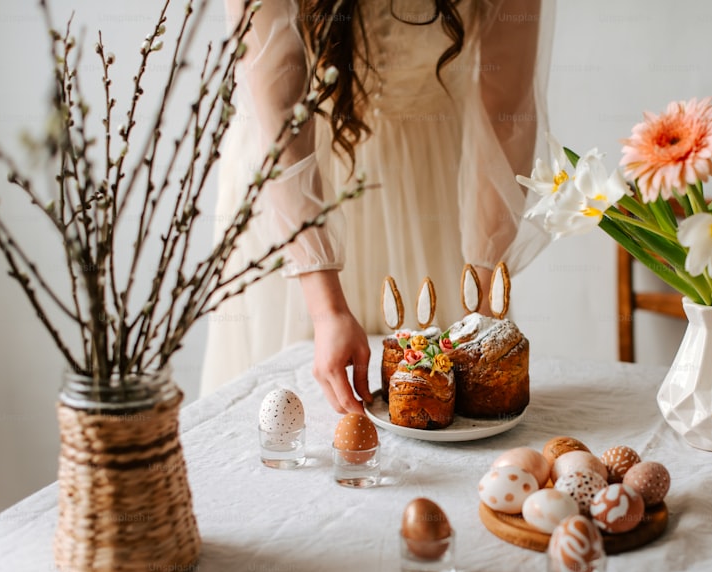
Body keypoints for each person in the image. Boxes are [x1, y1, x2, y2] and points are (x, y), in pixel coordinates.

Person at [201, 0, 552, 413]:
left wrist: (483, 286)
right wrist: (327, 309)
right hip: (295, 180)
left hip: (429, 177)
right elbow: (280, 111)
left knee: (440, 401)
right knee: (292, 414)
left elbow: (506, 110)